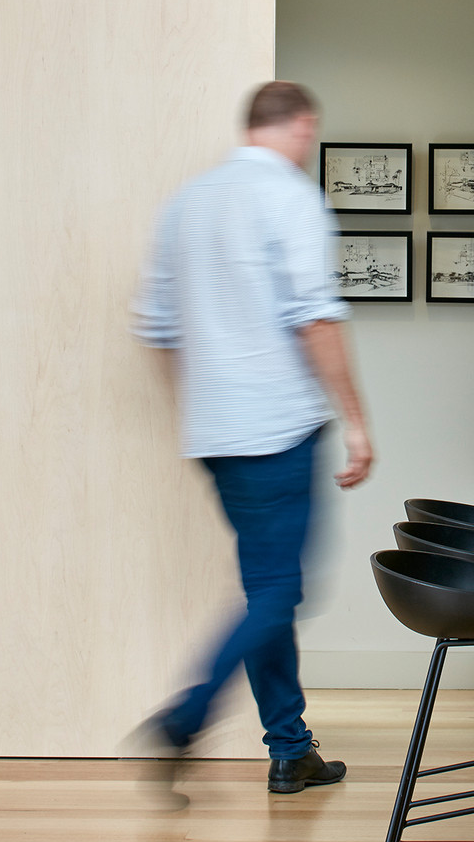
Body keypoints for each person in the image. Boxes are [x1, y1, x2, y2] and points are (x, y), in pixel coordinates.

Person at [132, 80, 374, 795]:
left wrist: (200, 405)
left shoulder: (188, 202)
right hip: (277, 429)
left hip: (214, 433)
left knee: (266, 590)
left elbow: (155, 326)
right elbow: (316, 320)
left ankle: (289, 748)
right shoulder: (291, 197)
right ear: (301, 126)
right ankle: (183, 719)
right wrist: (356, 423)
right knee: (276, 592)